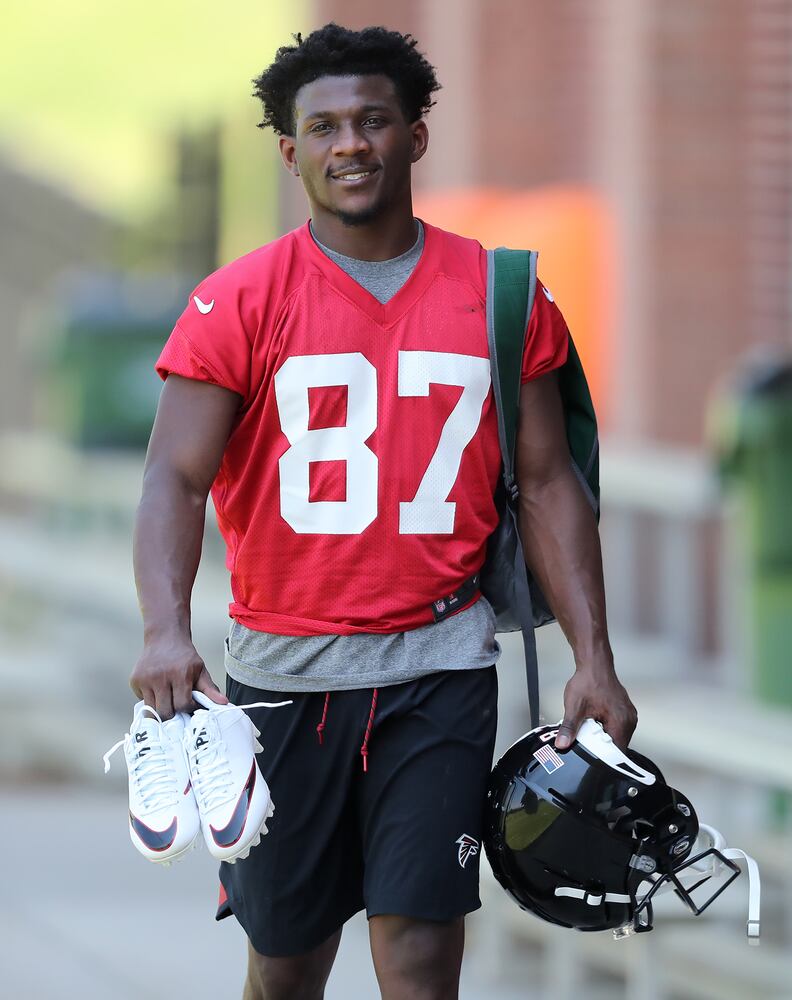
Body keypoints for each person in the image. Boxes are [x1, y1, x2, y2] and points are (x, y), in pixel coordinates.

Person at [131, 22, 637, 1000]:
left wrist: (596, 657)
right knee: (286, 961)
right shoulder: (239, 300)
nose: (350, 144)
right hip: (282, 676)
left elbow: (547, 481)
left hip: (438, 667)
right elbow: (173, 479)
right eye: (324, 128)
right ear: (292, 152)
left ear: (416, 134)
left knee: (419, 953)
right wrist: (164, 631)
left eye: (373, 120)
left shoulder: (500, 293)